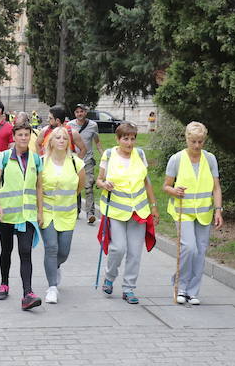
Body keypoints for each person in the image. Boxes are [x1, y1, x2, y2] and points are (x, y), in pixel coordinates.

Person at [96, 122, 159, 304]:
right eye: (125, 138)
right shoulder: (109, 155)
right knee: (118, 248)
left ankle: (129, 288)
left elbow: (146, 182)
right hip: (116, 210)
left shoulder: (139, 154)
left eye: (132, 139)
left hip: (139, 210)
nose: (129, 143)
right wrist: (104, 184)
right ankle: (109, 276)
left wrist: (153, 206)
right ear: (118, 139)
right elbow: (99, 180)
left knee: (134, 252)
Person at [164, 121, 224, 306]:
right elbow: (166, 186)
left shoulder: (210, 159)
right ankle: (180, 287)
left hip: (204, 213)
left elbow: (216, 188)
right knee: (189, 248)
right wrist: (174, 191)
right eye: (194, 142)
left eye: (201, 142)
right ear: (187, 139)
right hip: (183, 212)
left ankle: (192, 291)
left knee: (200, 252)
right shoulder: (176, 159)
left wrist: (218, 210)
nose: (197, 146)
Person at [0, 123, 43, 310]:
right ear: (14, 136)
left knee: (25, 251)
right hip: (6, 212)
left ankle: (28, 293)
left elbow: (39, 187)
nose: (24, 138)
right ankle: (4, 283)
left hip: (26, 214)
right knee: (6, 250)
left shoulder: (36, 159)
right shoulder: (3, 157)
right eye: (20, 135)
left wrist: (40, 211)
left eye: (27, 135)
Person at [38, 126, 85, 304]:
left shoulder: (76, 163)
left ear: (68, 143)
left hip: (67, 213)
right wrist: (39, 211)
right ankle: (52, 287)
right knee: (51, 248)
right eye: (57, 138)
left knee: (63, 252)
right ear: (50, 141)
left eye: (64, 138)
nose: (61, 141)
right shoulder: (42, 162)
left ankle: (56, 266)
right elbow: (38, 188)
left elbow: (80, 186)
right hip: (47, 212)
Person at [68, 104, 104, 224]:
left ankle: (90, 214)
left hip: (88, 160)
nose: (79, 114)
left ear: (85, 113)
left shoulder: (93, 125)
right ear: (75, 114)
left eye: (81, 111)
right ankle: (76, 210)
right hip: (74, 160)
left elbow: (97, 142)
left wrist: (103, 154)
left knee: (88, 187)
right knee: (75, 186)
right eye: (77, 112)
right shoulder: (69, 125)